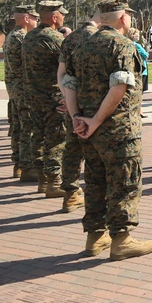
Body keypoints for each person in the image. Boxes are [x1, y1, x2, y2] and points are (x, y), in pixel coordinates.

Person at [64, 0, 152, 260]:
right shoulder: (122, 45)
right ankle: (122, 240)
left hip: (88, 132)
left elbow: (67, 84)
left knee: (95, 182)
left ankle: (96, 237)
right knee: (125, 183)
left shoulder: (81, 45)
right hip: (118, 130)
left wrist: (77, 118)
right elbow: (119, 88)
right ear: (124, 18)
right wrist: (96, 120)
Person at [22, 1, 68, 196]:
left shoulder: (29, 37)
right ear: (55, 18)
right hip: (53, 97)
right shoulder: (56, 38)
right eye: (62, 14)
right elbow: (70, 64)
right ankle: (54, 182)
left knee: (38, 137)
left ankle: (41, 179)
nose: (64, 17)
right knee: (56, 138)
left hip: (33, 96)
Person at [56, 13, 99, 212]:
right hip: (95, 106)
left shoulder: (70, 38)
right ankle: (96, 198)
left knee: (72, 148)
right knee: (96, 152)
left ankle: (70, 193)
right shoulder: (102, 37)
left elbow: (61, 73)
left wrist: (67, 97)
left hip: (73, 103)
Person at [4, 5, 38, 179]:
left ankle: (18, 163)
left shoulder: (11, 35)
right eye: (35, 18)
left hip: (15, 89)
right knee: (28, 127)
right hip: (24, 89)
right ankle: (27, 166)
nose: (36, 22)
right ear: (26, 18)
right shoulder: (22, 37)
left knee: (18, 126)